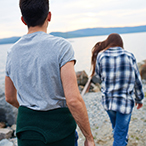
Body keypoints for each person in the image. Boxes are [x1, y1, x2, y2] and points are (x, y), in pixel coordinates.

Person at [5, 0, 95, 146]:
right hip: (59, 130)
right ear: (49, 16)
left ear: (23, 20)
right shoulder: (61, 47)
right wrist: (89, 137)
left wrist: (32, 109)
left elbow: (9, 97)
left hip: (27, 131)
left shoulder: (11, 53)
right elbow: (73, 99)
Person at [91, 33, 144, 146]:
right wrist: (139, 99)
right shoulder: (129, 56)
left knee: (118, 130)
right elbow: (137, 81)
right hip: (125, 102)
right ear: (121, 44)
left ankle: (123, 140)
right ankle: (122, 141)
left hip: (108, 102)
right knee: (120, 134)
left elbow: (99, 77)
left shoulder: (101, 55)